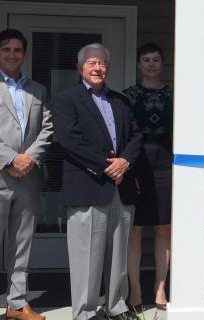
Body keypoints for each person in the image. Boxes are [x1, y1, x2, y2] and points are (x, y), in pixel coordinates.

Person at [0, 29, 53, 320]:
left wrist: (29, 159)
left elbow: (47, 129)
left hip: (28, 177)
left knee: (21, 245)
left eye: (18, 50)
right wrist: (10, 160)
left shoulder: (38, 90)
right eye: (7, 49)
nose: (12, 55)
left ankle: (17, 303)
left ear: (24, 54)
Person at [53, 43, 143, 320]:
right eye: (91, 63)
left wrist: (125, 162)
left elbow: (136, 136)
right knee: (86, 257)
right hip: (88, 186)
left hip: (121, 187)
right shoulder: (66, 99)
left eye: (102, 63)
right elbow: (69, 140)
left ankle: (116, 306)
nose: (97, 67)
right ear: (81, 68)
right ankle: (85, 312)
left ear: (109, 68)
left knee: (118, 255)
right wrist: (108, 166)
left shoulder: (121, 101)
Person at [123, 42, 173, 317]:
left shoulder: (171, 95)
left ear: (162, 64)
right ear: (139, 64)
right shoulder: (128, 95)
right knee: (136, 228)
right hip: (137, 161)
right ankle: (135, 289)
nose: (151, 64)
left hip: (165, 160)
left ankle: (160, 286)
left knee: (164, 227)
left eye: (156, 59)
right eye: (146, 60)